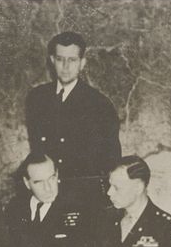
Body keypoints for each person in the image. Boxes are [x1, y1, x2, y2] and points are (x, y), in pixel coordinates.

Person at [25, 31, 121, 207]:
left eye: (72, 60)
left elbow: (110, 161)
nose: (66, 66)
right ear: (52, 61)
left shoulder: (99, 105)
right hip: (44, 193)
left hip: (82, 198)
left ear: (82, 63)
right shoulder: (37, 98)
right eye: (61, 59)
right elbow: (37, 152)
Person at [5, 152, 92, 247]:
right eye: (38, 182)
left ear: (57, 175)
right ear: (27, 183)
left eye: (52, 178)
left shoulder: (78, 208)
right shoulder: (16, 208)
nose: (48, 188)